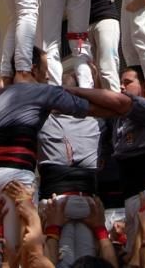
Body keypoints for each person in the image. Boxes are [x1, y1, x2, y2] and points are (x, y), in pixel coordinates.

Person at [0, 47, 102, 253]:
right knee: (26, 252)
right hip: (14, 178)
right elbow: (88, 107)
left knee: (4, 252)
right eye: (44, 70)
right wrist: (121, 106)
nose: (46, 76)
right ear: (32, 69)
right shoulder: (39, 92)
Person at [66, 65, 145, 256]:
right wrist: (59, 102)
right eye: (121, 83)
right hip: (135, 196)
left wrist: (70, 91)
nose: (122, 87)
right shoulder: (120, 120)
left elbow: (118, 102)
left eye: (128, 82)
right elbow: (99, 108)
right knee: (135, 257)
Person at [38, 72, 105, 267]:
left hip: (56, 203)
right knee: (87, 262)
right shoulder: (96, 123)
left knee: (59, 261)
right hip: (88, 203)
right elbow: (104, 102)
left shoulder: (44, 122)